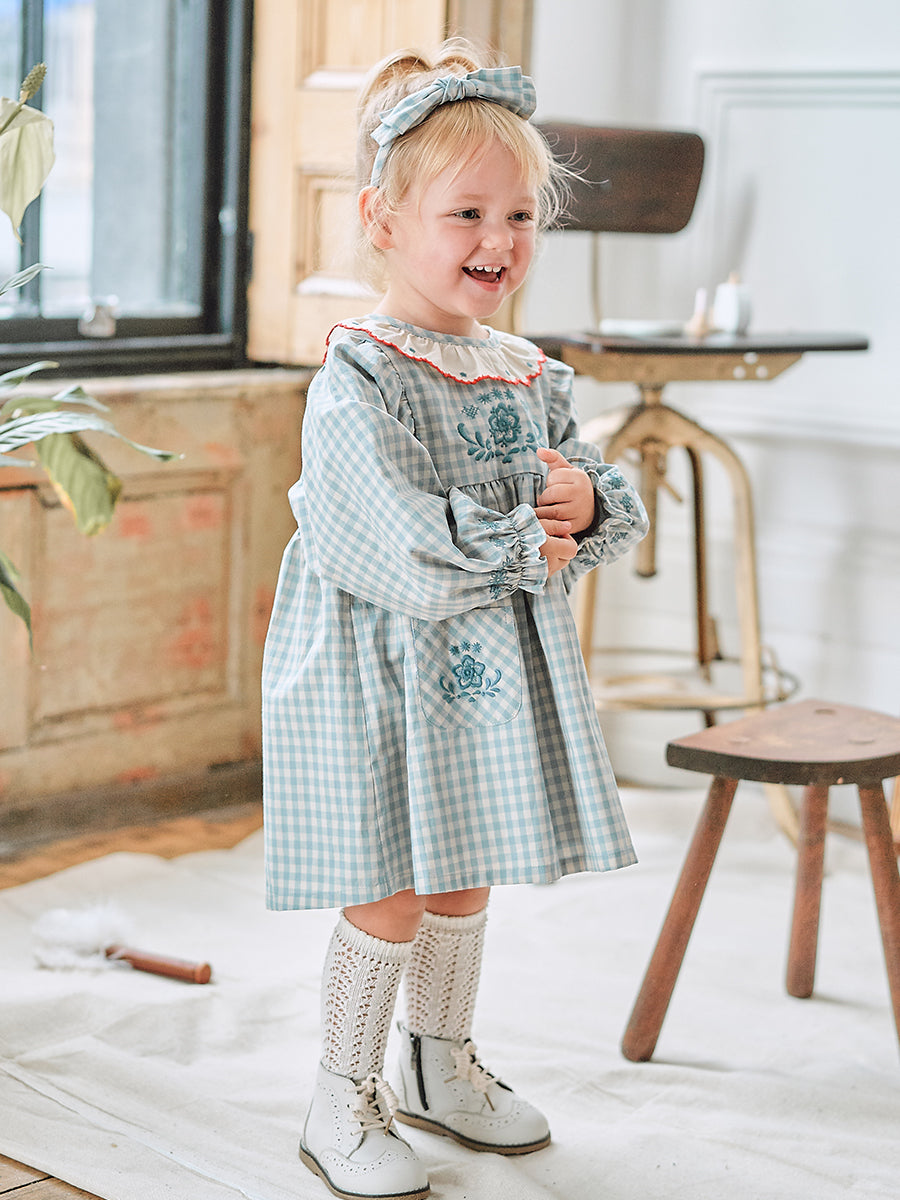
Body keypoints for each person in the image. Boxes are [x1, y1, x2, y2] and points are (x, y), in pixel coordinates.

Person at [262, 39, 649, 1200]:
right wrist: (515, 535)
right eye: (467, 212)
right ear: (382, 221)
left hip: (481, 665)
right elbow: (381, 529)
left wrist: (583, 501)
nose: (500, 238)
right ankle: (342, 1089)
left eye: (521, 214)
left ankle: (438, 1065)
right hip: (379, 656)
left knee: (464, 872)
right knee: (389, 884)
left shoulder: (526, 367)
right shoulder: (360, 372)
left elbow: (570, 474)